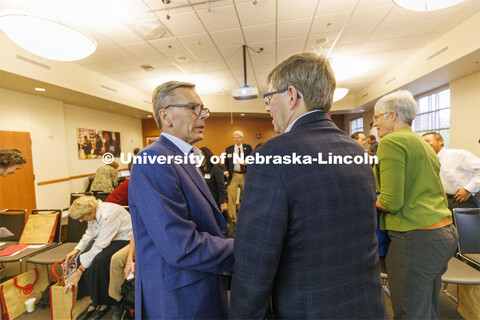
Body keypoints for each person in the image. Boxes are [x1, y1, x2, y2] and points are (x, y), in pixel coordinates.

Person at [230, 53, 386, 319]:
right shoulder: (356, 151)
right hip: (366, 304)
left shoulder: (272, 155)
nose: (267, 107)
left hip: (307, 308)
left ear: (291, 96)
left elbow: (255, 263)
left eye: (269, 98)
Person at [129, 81, 234, 319]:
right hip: (180, 300)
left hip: (200, 286)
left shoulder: (181, 157)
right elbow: (181, 246)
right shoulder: (152, 160)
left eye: (204, 109)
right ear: (166, 116)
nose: (204, 116)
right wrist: (246, 248)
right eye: (193, 108)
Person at [373, 90, 458, 319]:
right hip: (443, 233)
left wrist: (367, 198)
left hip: (415, 239)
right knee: (428, 306)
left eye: (377, 117)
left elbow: (391, 202)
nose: (375, 124)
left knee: (410, 311)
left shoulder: (391, 141)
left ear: (392, 115)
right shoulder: (421, 143)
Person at [64, 196, 132, 320]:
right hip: (110, 238)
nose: (80, 221)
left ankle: (104, 302)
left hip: (125, 239)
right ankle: (93, 299)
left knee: (99, 261)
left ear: (90, 212)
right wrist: (77, 249)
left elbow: (101, 244)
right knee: (82, 257)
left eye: (81, 217)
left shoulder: (109, 213)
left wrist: (79, 271)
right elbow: (90, 234)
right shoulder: (93, 212)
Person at [422, 132, 480, 210]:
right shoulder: (428, 161)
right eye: (422, 142)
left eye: (427, 141)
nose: (424, 144)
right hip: (442, 202)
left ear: (441, 141)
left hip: (464, 200)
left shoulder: (458, 154)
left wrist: (468, 189)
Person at [224, 131, 252, 231]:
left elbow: (253, 159)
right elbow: (225, 162)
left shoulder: (248, 148)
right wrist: (226, 170)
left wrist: (247, 162)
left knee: (246, 197)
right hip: (233, 175)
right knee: (231, 198)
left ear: (241, 138)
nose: (235, 139)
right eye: (234, 138)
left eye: (237, 138)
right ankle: (233, 220)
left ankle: (246, 217)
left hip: (245, 175)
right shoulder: (229, 149)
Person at [200, 147, 227, 214]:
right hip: (206, 201)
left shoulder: (216, 168)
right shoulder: (201, 168)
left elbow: (221, 186)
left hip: (216, 201)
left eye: (201, 157)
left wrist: (223, 202)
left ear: (207, 157)